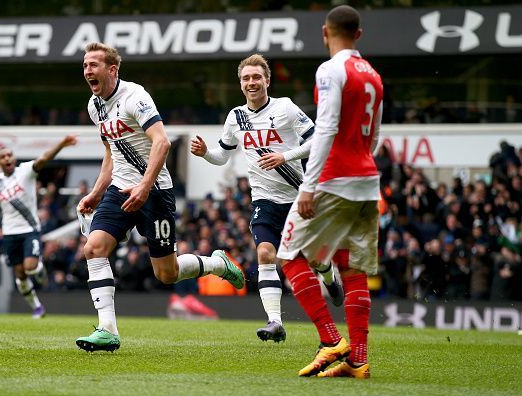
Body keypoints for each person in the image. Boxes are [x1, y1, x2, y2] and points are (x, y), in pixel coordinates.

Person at [75, 42, 244, 352]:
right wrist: (97, 192)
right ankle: (107, 329)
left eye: (94, 65)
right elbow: (111, 152)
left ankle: (217, 263)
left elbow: (162, 143)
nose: (87, 71)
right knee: (94, 248)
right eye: (85, 65)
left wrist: (143, 186)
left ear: (112, 69)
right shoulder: (94, 105)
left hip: (155, 192)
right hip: (120, 189)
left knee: (167, 273)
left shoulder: (135, 97)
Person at [191, 53, 343, 343]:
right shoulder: (235, 117)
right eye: (246, 78)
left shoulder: (285, 108)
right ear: (240, 83)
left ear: (267, 81)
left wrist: (284, 156)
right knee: (266, 254)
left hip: (298, 197)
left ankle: (328, 274)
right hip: (264, 200)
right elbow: (222, 156)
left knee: (314, 258)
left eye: (256, 77)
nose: (251, 82)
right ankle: (275, 321)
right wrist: (205, 153)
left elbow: (318, 140)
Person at [277, 5, 383, 379]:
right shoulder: (372, 74)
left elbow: (326, 128)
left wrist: (308, 186)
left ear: (325, 32)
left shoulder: (330, 69)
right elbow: (375, 135)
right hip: (367, 181)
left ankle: (330, 339)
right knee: (352, 268)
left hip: (333, 180)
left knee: (288, 254)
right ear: (359, 34)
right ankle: (358, 359)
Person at [0, 135, 78, 318]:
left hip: (30, 230)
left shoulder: (26, 170)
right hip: (10, 233)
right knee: (20, 275)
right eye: (4, 156)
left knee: (29, 267)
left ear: (14, 158)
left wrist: (61, 144)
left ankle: (38, 267)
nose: (8, 158)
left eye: (10, 155)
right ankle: (37, 307)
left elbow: (44, 158)